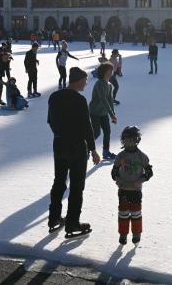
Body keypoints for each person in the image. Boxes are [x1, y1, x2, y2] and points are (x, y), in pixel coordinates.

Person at [47, 67, 100, 237]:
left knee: (59, 182)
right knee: (77, 186)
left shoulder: (54, 97)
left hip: (59, 143)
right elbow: (87, 127)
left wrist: (60, 134)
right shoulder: (79, 100)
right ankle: (72, 223)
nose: (86, 83)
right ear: (77, 81)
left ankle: (54, 218)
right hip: (76, 147)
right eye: (84, 80)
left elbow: (50, 121)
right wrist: (93, 149)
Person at [112, 125, 153, 245]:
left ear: (137, 141)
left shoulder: (142, 157)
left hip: (135, 190)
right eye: (126, 140)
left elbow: (149, 172)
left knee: (136, 213)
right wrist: (117, 179)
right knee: (123, 213)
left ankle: (136, 234)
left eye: (132, 140)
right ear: (123, 141)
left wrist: (140, 180)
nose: (129, 143)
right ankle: (123, 234)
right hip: (123, 190)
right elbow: (114, 172)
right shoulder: (120, 156)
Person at [90, 63, 118, 160]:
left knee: (107, 131)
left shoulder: (109, 85)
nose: (111, 73)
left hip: (103, 113)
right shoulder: (99, 84)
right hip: (94, 112)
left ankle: (106, 152)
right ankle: (85, 147)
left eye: (111, 71)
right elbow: (103, 99)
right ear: (103, 72)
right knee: (96, 133)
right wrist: (111, 115)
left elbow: (110, 100)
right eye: (108, 71)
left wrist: (113, 115)